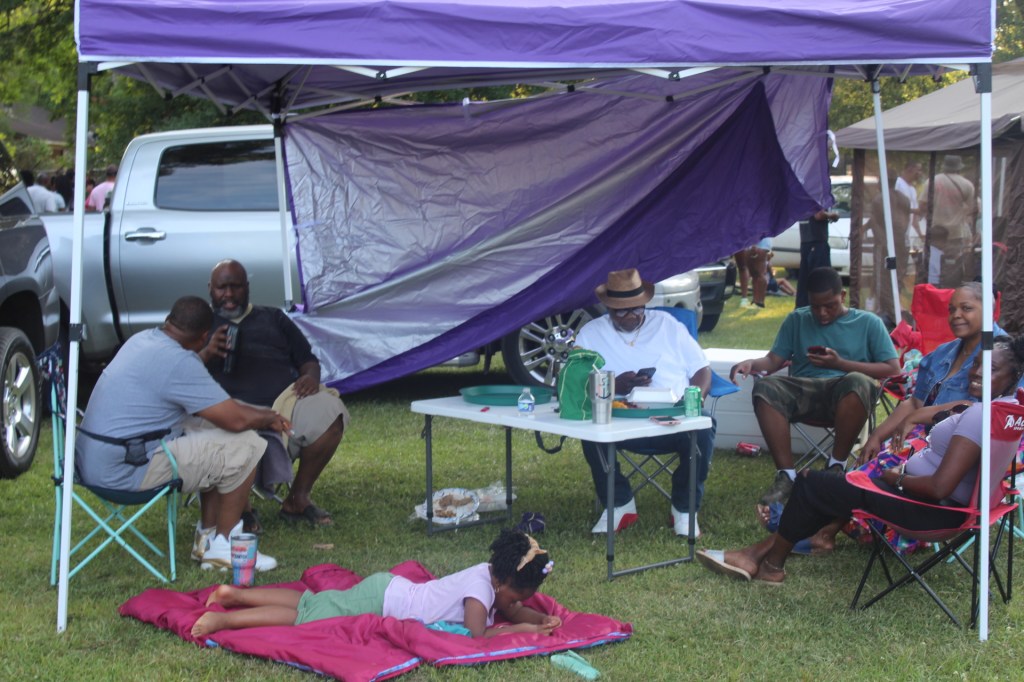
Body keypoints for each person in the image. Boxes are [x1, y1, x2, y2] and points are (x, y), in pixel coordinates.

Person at [696, 335, 1024, 584]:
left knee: (812, 483)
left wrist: (896, 477)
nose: (977, 372)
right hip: (945, 507)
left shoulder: (980, 415)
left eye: (991, 368)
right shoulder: (1007, 413)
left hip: (928, 510)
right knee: (833, 487)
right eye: (976, 364)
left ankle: (768, 562)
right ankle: (770, 555)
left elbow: (940, 487)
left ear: (1015, 374)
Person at [76, 296, 290, 572]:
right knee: (247, 444)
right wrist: (268, 417)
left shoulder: (142, 340)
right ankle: (225, 546)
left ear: (169, 321)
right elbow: (236, 419)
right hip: (126, 472)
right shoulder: (179, 362)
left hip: (94, 461)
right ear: (203, 336)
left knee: (213, 430)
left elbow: (178, 381)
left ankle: (207, 537)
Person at [729, 267, 900, 511]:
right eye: (815, 306)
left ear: (842, 296)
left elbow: (893, 369)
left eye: (829, 305)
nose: (822, 313)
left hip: (847, 394)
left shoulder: (868, 323)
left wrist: (840, 364)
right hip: (804, 390)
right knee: (765, 387)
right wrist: (751, 364)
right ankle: (786, 476)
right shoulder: (797, 320)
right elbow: (773, 361)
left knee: (858, 381)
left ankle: (835, 467)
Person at [190, 528, 560, 638]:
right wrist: (523, 629)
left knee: (314, 604)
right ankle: (225, 618)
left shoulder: (491, 576)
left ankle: (234, 594)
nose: (516, 605)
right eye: (517, 597)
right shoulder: (480, 593)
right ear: (503, 581)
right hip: (381, 600)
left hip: (387, 590)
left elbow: (514, 609)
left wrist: (539, 619)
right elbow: (477, 637)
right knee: (307, 617)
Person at [201, 259, 349, 528]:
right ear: (210, 288)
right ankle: (240, 509)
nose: (229, 294)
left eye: (236, 286)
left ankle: (298, 499)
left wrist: (310, 377)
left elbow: (308, 360)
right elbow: (178, 370)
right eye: (222, 288)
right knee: (222, 428)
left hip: (282, 406)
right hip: (226, 411)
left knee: (331, 412)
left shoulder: (273, 318)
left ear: (247, 287)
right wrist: (206, 352)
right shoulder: (200, 324)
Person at [573, 268, 716, 537]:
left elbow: (702, 370)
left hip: (673, 417)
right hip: (618, 420)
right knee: (589, 427)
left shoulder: (668, 325)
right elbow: (576, 383)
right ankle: (619, 504)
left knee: (703, 427)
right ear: (608, 307)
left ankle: (685, 510)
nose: (631, 316)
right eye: (621, 312)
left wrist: (692, 400)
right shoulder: (591, 334)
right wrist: (616, 386)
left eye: (637, 309)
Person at [920, 155, 976, 287]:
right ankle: (951, 290)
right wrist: (960, 214)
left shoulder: (932, 181)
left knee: (932, 264)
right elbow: (973, 208)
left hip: (935, 233)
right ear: (959, 167)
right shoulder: (967, 184)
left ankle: (933, 289)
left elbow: (923, 205)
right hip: (956, 233)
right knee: (952, 266)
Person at [868, 176, 912, 325]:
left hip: (886, 244)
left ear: (881, 184)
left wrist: (883, 241)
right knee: (896, 277)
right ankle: (892, 311)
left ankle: (890, 313)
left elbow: (875, 222)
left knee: (883, 278)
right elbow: (906, 222)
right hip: (900, 243)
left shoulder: (879, 199)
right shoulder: (904, 199)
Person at [794, 208, 840, 308]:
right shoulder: (819, 198)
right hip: (817, 241)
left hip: (805, 241)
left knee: (805, 278)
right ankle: (821, 305)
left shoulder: (804, 200)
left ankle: (802, 307)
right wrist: (833, 215)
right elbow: (819, 215)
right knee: (822, 277)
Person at [735, 238, 771, 309]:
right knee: (755, 274)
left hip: (760, 245)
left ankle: (760, 301)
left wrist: (754, 245)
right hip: (758, 245)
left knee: (760, 273)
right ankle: (756, 300)